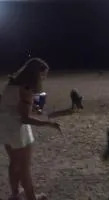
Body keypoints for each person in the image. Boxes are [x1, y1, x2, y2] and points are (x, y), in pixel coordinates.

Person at [0, 58, 61, 200]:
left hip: (5, 126)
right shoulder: (26, 89)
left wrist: (31, 107)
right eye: (43, 74)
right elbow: (25, 118)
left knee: (14, 163)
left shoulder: (12, 84)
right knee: (24, 167)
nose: (44, 78)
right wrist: (48, 123)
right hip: (17, 129)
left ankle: (15, 194)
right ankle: (31, 197)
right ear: (35, 74)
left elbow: (11, 104)